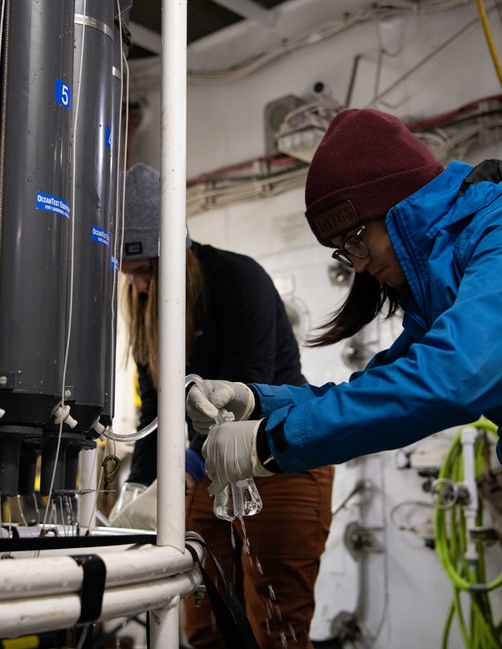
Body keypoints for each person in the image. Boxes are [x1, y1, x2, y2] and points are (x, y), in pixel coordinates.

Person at [190, 108, 502, 647]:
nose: (356, 265)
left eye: (355, 240)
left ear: (400, 207)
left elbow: (454, 377)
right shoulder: (450, 282)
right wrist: (258, 400)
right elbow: (388, 379)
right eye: (344, 250)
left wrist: (270, 445)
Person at [117, 163, 334, 649]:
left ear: (179, 252)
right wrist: (139, 485)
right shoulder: (146, 307)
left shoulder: (239, 281)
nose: (140, 286)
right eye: (128, 274)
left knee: (275, 624)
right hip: (205, 468)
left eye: (147, 270)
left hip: (280, 458)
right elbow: (153, 403)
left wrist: (187, 461)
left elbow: (244, 389)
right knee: (205, 618)